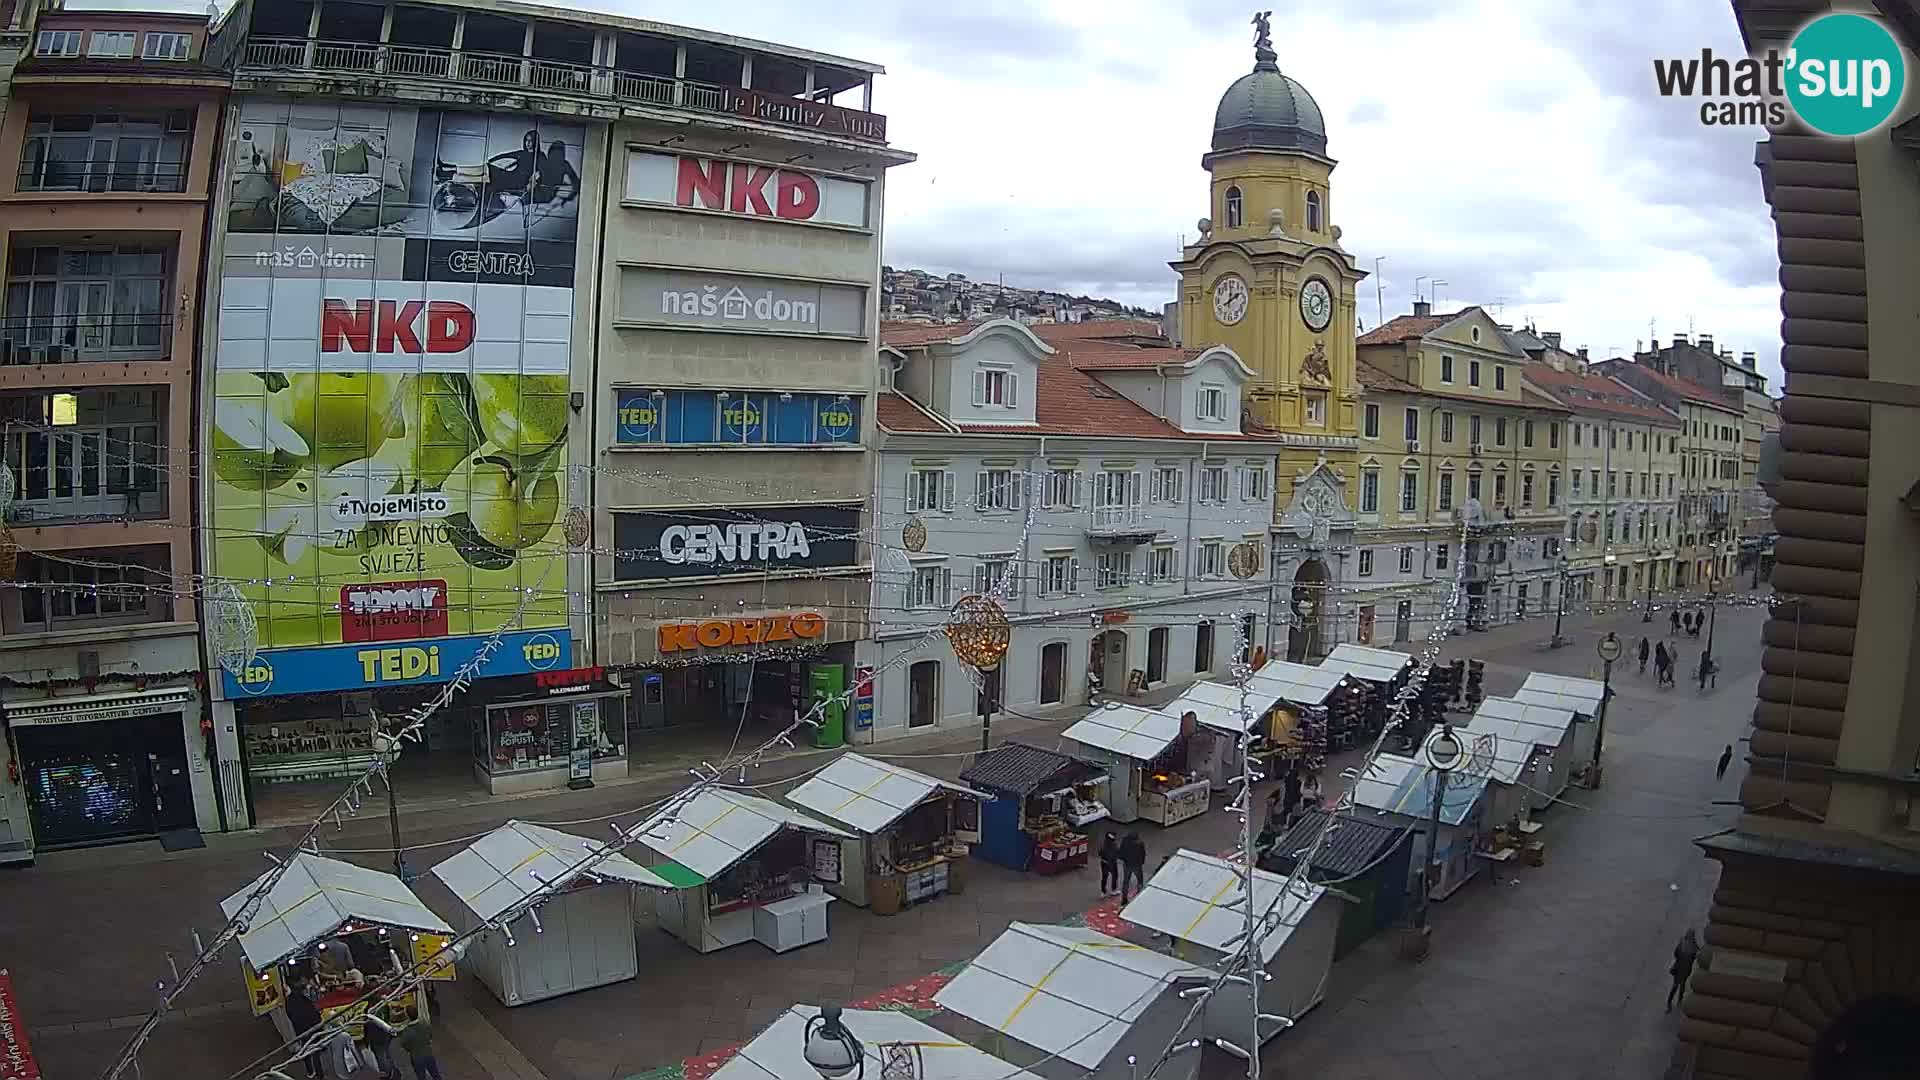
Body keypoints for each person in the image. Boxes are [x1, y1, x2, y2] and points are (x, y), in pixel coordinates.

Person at [283, 978, 325, 1080]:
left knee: (306, 1049)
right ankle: (319, 1073)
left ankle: (310, 1071)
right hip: (312, 1026)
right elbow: (313, 1011)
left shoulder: (289, 1002)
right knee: (315, 1050)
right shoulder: (303, 998)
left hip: (302, 1030)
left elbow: (291, 1017)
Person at [399, 1015, 442, 1080]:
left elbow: (404, 1044)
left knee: (421, 1077)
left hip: (416, 1057)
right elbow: (430, 1036)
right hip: (428, 1054)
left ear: (408, 1017)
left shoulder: (407, 1031)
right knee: (435, 1074)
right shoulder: (424, 1024)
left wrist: (410, 1049)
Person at [1668, 929, 1700, 1012]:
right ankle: (1679, 1001)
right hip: (1686, 969)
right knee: (1682, 985)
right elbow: (1696, 955)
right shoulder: (1694, 945)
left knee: (1675, 985)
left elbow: (1676, 954)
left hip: (1679, 967)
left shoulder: (1682, 942)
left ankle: (1669, 1002)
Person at [1118, 831, 1148, 904]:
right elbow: (1143, 854)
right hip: (1137, 865)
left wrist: (1124, 859)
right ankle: (1139, 896)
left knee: (1126, 881)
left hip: (1127, 864)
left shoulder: (1125, 841)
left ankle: (1124, 899)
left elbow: (1121, 852)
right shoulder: (1140, 843)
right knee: (1140, 880)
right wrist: (1141, 862)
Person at [1097, 833, 1121, 897]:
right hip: (1112, 864)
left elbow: (1099, 853)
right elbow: (1117, 853)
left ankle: (1103, 892)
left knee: (1104, 877)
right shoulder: (1114, 845)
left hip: (1104, 863)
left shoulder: (1103, 844)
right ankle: (1113, 890)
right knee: (1115, 876)